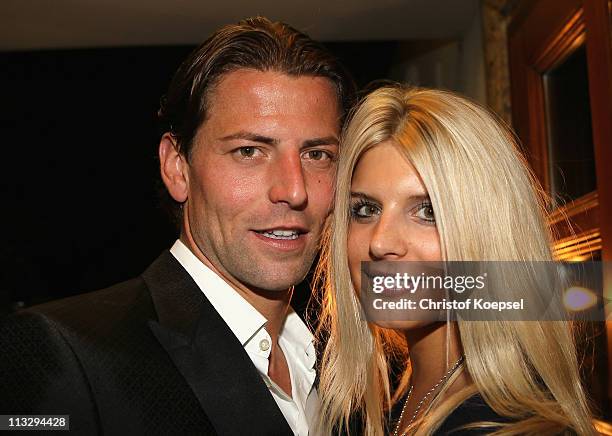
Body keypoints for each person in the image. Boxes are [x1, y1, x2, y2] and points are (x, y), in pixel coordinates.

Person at [0, 17, 354, 435]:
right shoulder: (64, 351)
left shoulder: (344, 364)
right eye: (249, 151)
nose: (294, 190)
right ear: (177, 166)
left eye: (317, 155)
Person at [315, 85, 595, 435]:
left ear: (489, 233)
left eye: (428, 211)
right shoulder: (398, 403)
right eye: (366, 209)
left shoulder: (514, 427)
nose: (381, 242)